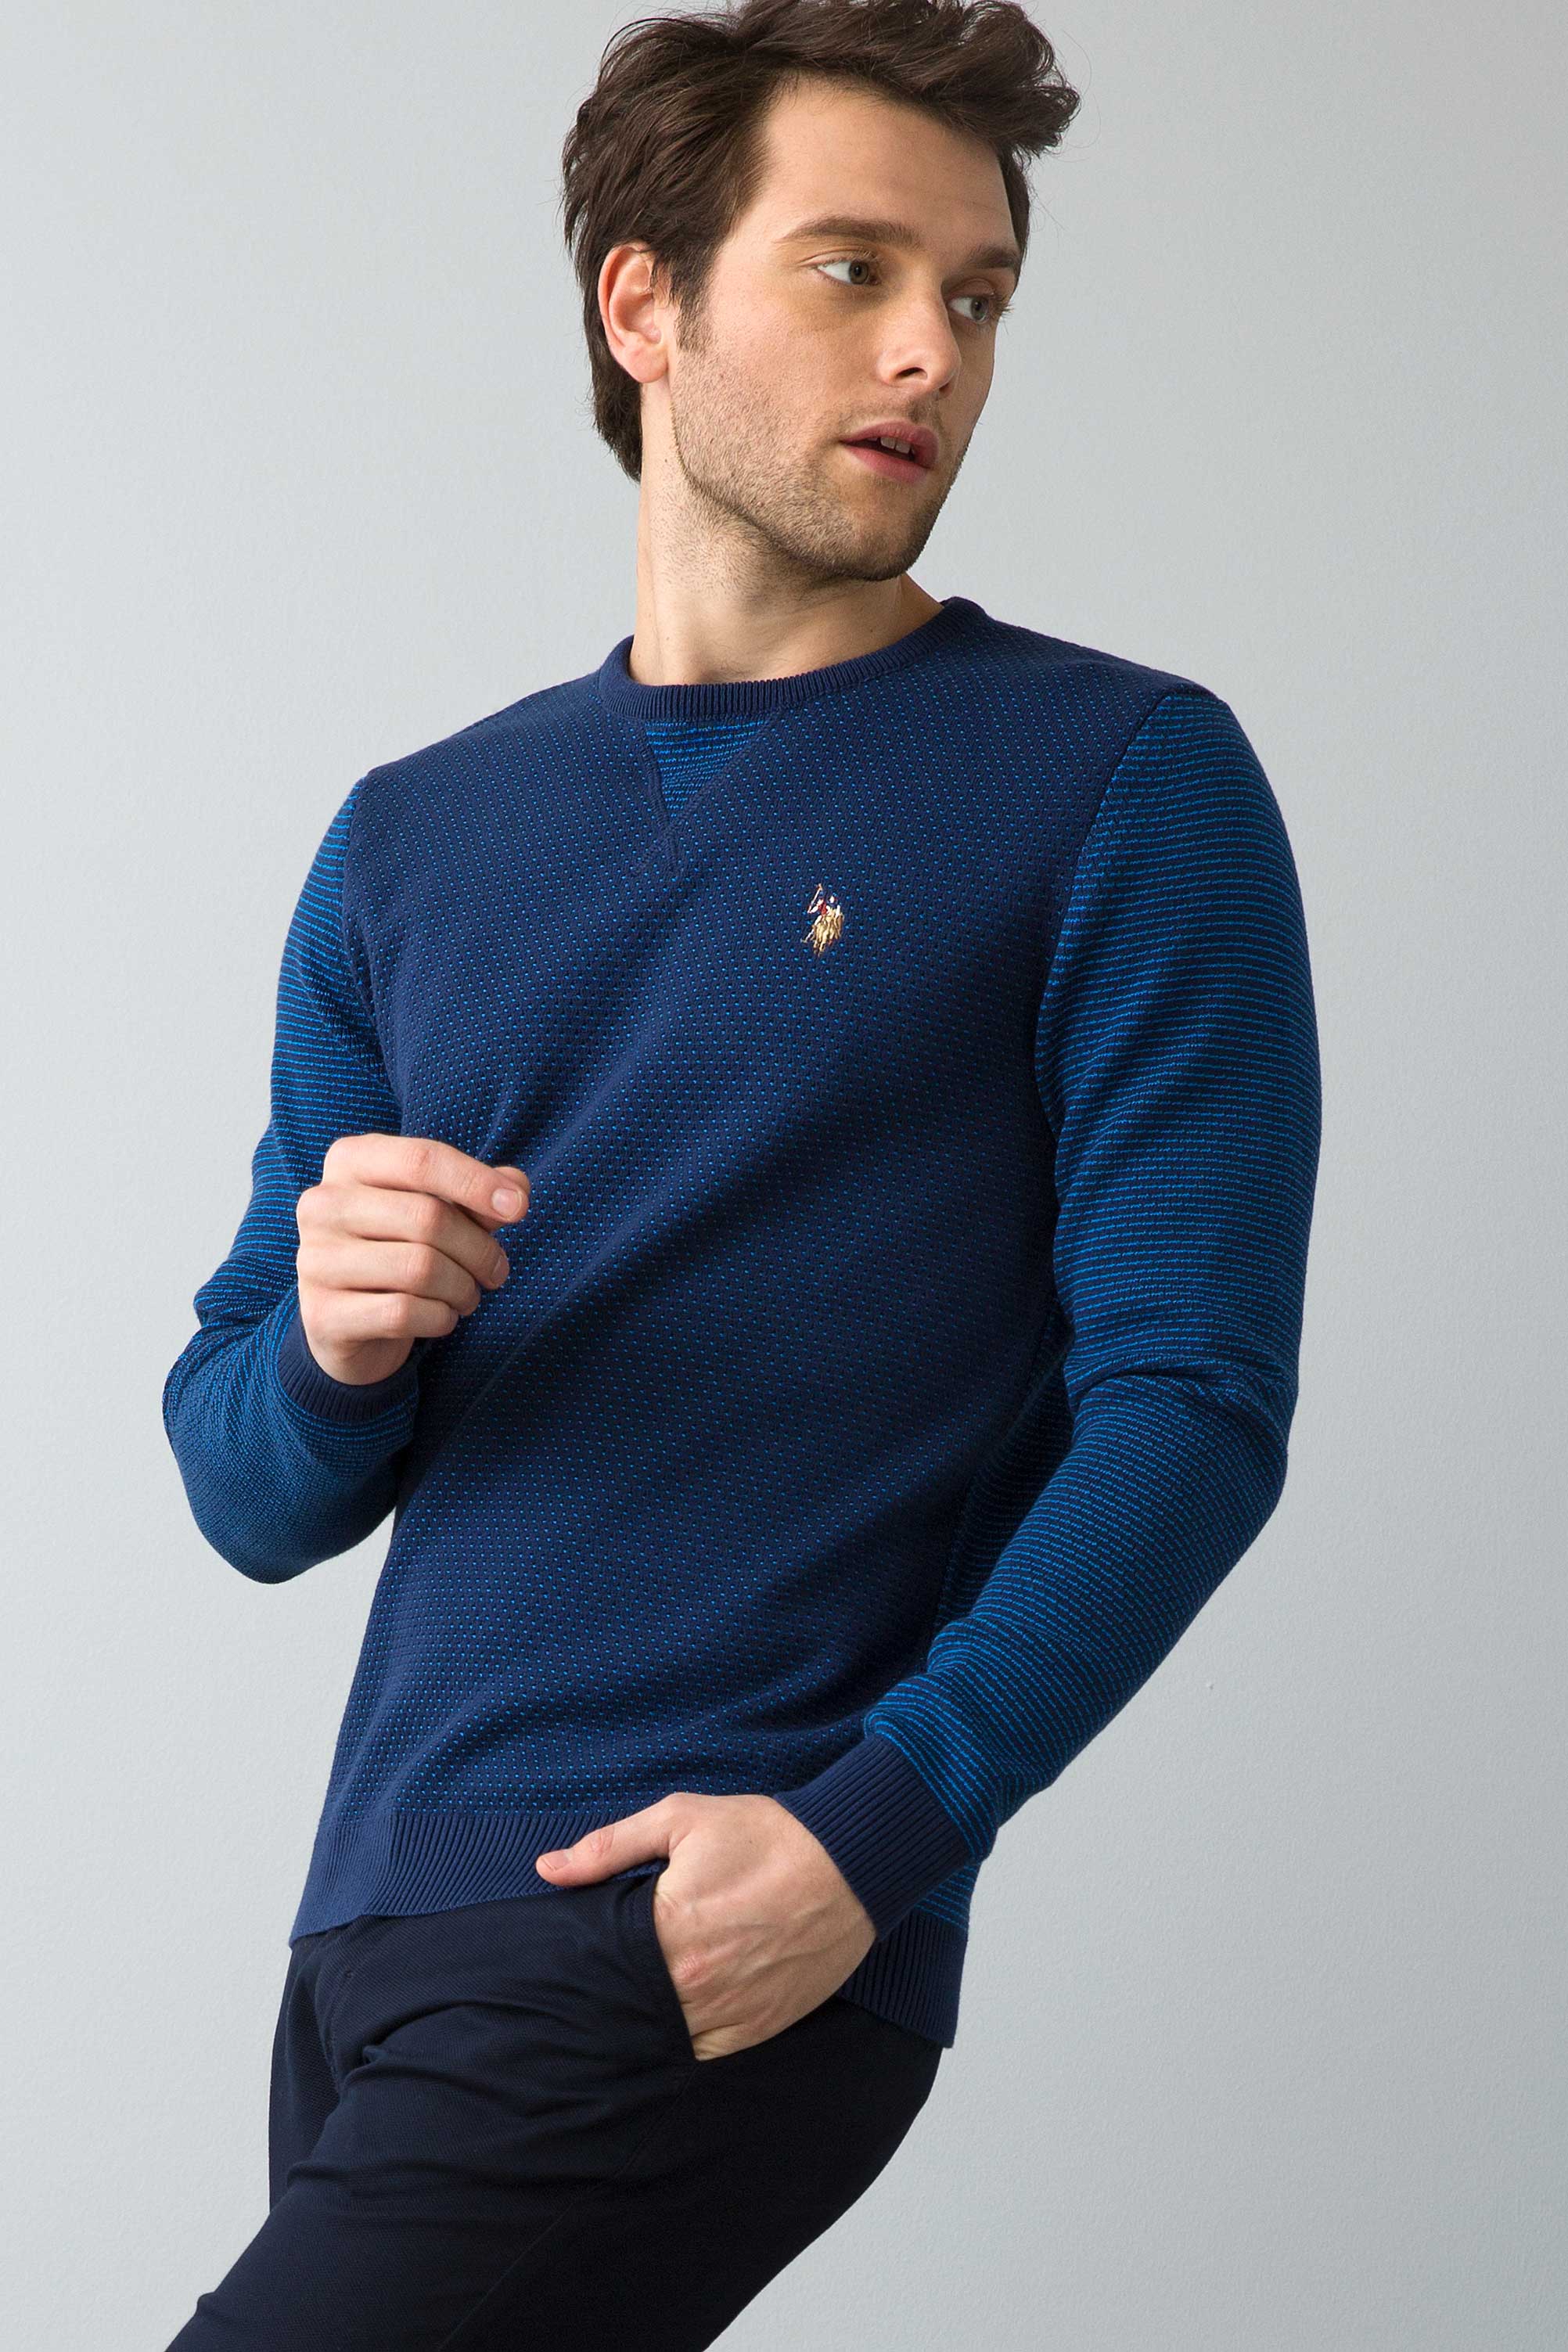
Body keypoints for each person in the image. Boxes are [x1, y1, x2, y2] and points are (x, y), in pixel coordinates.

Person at [160, 2, 1322, 2343]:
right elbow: (244, 1484)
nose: (932, 353)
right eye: (852, 268)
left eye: (976, 295)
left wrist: (878, 1835)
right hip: (372, 1930)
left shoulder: (1118, 782)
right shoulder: (414, 836)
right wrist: (332, 1344)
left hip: (694, 1912)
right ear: (645, 303)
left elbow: (1193, 1403)